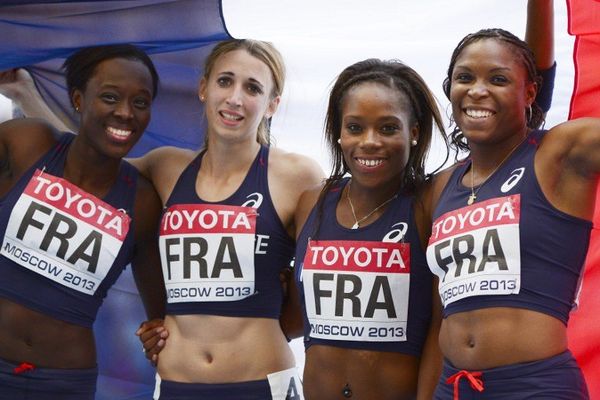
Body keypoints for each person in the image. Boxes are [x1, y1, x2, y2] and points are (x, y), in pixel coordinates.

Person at [134, 39, 323, 399]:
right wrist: (26, 93)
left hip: (261, 382)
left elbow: (324, 271)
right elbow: (90, 162)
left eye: (252, 88)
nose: (235, 98)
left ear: (272, 105)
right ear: (203, 88)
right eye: (225, 81)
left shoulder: (297, 175)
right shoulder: (166, 167)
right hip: (176, 384)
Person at [426, 28, 599, 398]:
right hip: (454, 387)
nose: (477, 89)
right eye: (464, 77)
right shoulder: (441, 186)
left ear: (530, 93)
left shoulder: (559, 153)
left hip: (536, 387)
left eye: (499, 79)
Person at [0, 44, 165, 399]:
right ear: (78, 99)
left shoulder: (143, 202)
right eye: (110, 97)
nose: (125, 113)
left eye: (141, 103)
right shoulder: (27, 142)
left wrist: (159, 334)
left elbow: (163, 314)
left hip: (63, 383)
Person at [288, 58, 446, 400]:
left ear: (414, 132)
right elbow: (279, 307)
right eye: (355, 127)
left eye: (388, 128)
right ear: (339, 133)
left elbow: (440, 325)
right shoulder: (310, 203)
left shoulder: (429, 203)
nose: (369, 142)